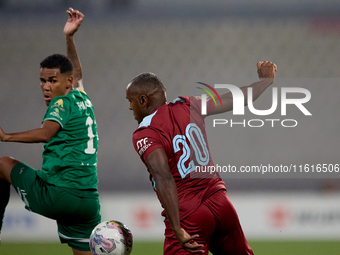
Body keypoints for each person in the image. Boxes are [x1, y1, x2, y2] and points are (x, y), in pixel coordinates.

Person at [126, 61, 277, 255]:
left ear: (143, 100)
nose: (130, 107)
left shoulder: (145, 133)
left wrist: (178, 228)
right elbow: (233, 99)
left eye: (130, 100)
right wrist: (265, 82)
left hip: (189, 214)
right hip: (221, 204)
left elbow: (163, 176)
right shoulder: (190, 105)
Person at [0, 8, 100, 255]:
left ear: (66, 82)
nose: (46, 87)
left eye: (52, 81)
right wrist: (69, 38)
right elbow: (76, 72)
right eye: (42, 81)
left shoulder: (61, 103)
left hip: (59, 193)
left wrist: (5, 136)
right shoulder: (82, 98)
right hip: (88, 201)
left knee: (2, 164)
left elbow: (46, 133)